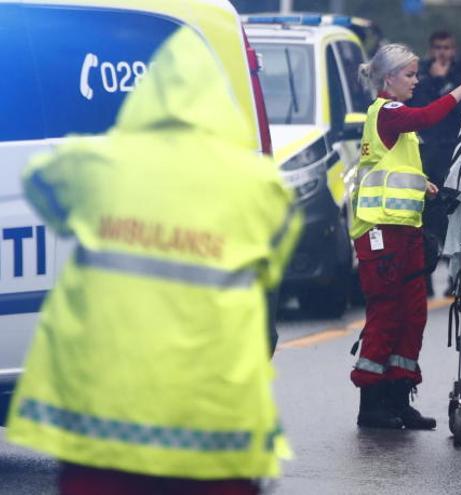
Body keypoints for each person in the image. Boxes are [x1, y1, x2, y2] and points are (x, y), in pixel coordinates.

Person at [4, 27, 301, 494]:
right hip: (213, 426)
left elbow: (41, 185)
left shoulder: (98, 165)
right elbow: (270, 263)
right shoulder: (258, 186)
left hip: (107, 422)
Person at [350, 43, 461, 429]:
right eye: (409, 75)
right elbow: (429, 115)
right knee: (386, 316)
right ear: (389, 78)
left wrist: (425, 186)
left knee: (412, 315)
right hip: (382, 234)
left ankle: (399, 396)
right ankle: (372, 404)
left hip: (405, 231)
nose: (415, 80)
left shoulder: (396, 122)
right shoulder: (390, 112)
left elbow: (393, 170)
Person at [410, 30, 461, 297]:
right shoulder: (420, 75)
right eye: (437, 47)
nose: (442, 53)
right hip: (428, 154)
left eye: (447, 47)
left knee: (455, 217)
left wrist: (448, 81)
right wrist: (435, 82)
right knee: (425, 218)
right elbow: (419, 110)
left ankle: (454, 277)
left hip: (456, 152)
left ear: (454, 49)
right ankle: (423, 278)